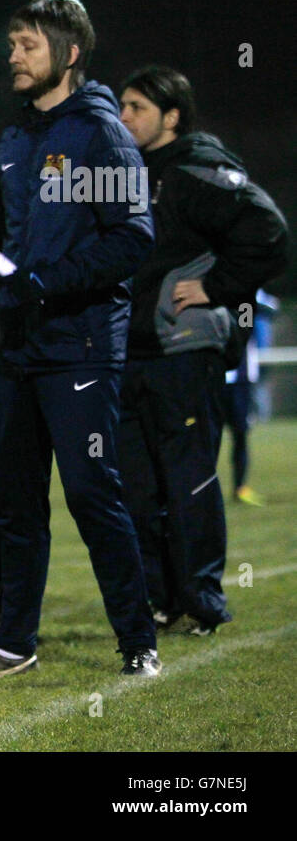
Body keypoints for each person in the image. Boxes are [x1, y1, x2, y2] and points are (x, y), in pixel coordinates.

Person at [0, 0, 161, 678]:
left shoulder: (100, 134)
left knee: (90, 494)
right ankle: (14, 643)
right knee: (15, 503)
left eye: (28, 46)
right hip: (17, 353)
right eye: (13, 44)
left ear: (69, 54)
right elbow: (6, 258)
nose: (13, 56)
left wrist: (48, 282)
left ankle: (138, 641)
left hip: (80, 346)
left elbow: (133, 237)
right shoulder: (15, 141)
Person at [117, 65, 287, 634]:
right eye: (122, 105)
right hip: (129, 354)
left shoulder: (199, 168)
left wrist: (215, 287)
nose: (124, 116)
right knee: (138, 489)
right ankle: (161, 600)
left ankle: (204, 603)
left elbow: (269, 232)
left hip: (184, 352)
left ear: (171, 117)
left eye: (137, 107)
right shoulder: (126, 172)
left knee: (188, 480)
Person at [223, 289, 278, 505]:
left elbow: (267, 310)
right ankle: (200, 489)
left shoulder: (247, 295)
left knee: (240, 433)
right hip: (213, 375)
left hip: (240, 377)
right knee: (207, 435)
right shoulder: (210, 284)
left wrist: (248, 304)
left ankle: (240, 487)